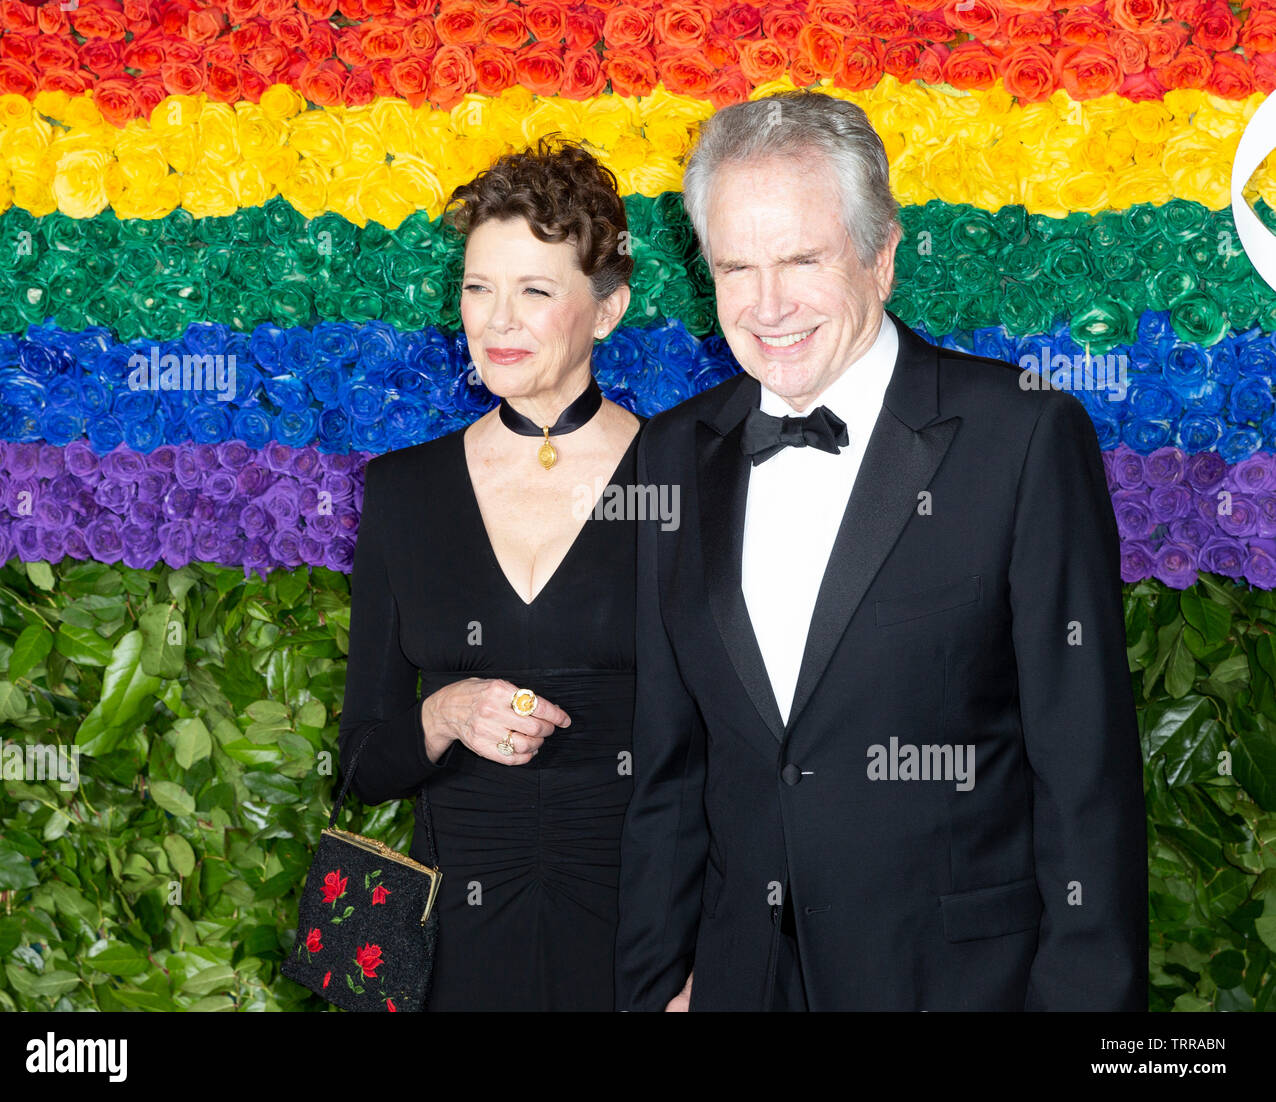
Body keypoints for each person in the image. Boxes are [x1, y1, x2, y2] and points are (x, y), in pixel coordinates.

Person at [614, 91, 1147, 1011]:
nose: (767, 304)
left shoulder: (1022, 435)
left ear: (883, 256)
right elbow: (670, 767)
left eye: (802, 259)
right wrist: (655, 984)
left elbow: (1086, 776)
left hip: (958, 984)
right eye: (737, 266)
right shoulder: (668, 453)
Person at [335, 136, 642, 1010]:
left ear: (607, 310)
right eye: (478, 288)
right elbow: (362, 764)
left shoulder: (688, 479)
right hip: (450, 960)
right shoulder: (404, 489)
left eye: (535, 292)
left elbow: (736, 762)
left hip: (636, 950)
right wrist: (442, 715)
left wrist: (701, 961)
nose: (496, 321)